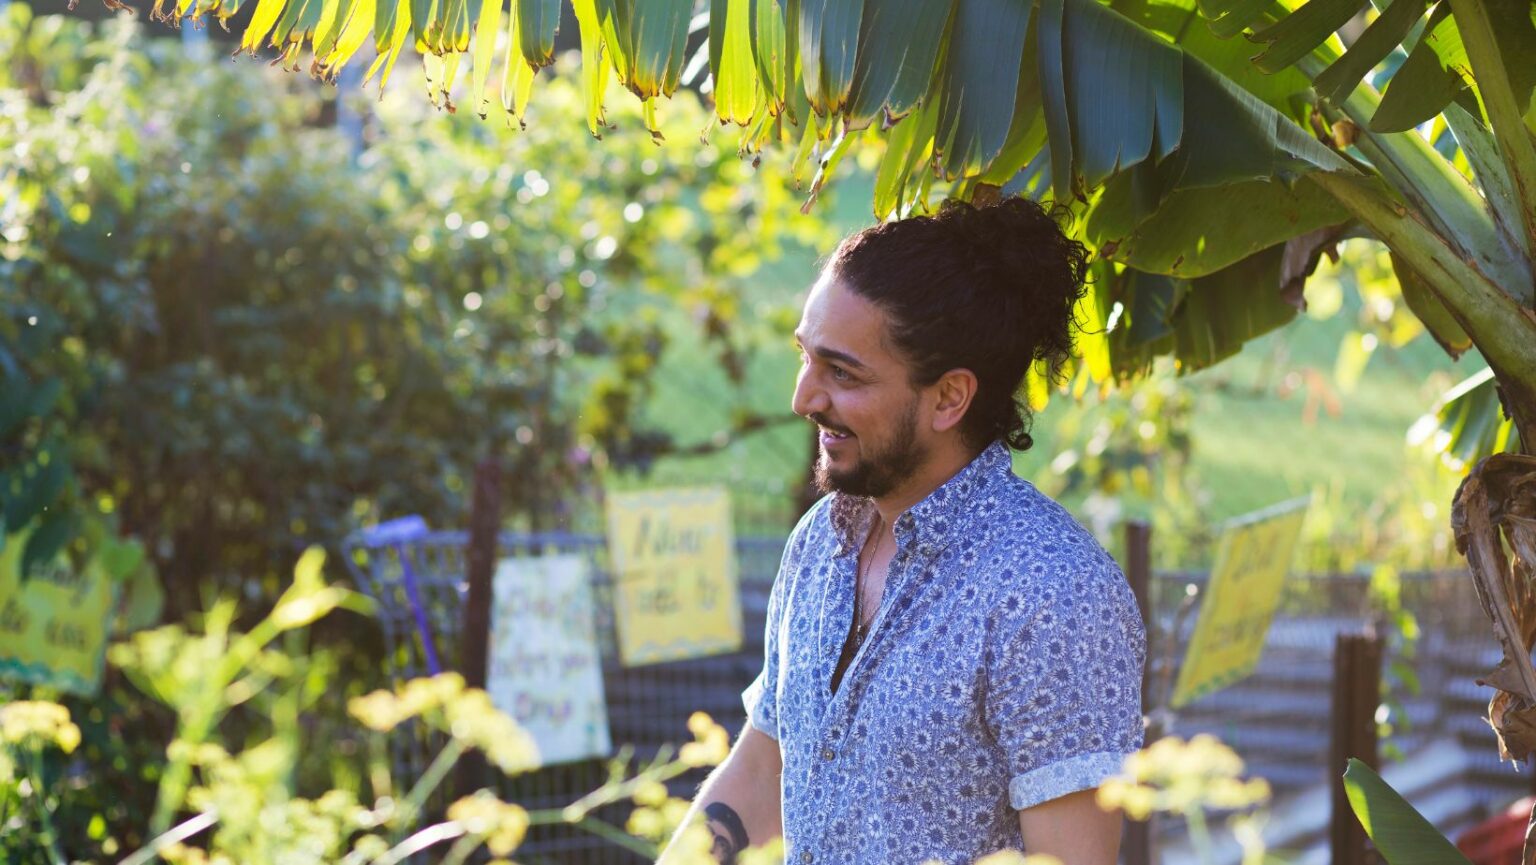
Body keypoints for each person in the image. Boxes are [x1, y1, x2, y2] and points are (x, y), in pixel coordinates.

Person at [661, 197, 1147, 865]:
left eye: (843, 373)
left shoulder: (1053, 594)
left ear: (949, 397)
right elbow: (762, 775)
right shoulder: (820, 541)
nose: (804, 398)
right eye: (806, 357)